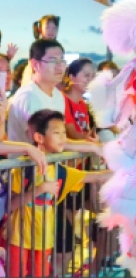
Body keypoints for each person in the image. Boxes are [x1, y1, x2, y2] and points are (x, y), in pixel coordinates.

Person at [8, 109, 111, 277]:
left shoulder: (61, 171)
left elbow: (96, 177)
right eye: (57, 133)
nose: (63, 138)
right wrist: (40, 189)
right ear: (39, 138)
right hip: (17, 239)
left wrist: (130, 167)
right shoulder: (22, 168)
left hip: (44, 240)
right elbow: (10, 204)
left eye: (64, 132)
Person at [21, 15, 60, 86]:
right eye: (48, 27)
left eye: (54, 28)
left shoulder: (57, 47)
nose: (51, 31)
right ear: (40, 29)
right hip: (35, 79)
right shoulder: (37, 46)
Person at [63, 58, 97, 141]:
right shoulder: (62, 100)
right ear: (72, 77)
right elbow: (72, 133)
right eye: (87, 75)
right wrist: (90, 140)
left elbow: (86, 130)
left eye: (93, 76)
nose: (91, 80)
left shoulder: (81, 102)